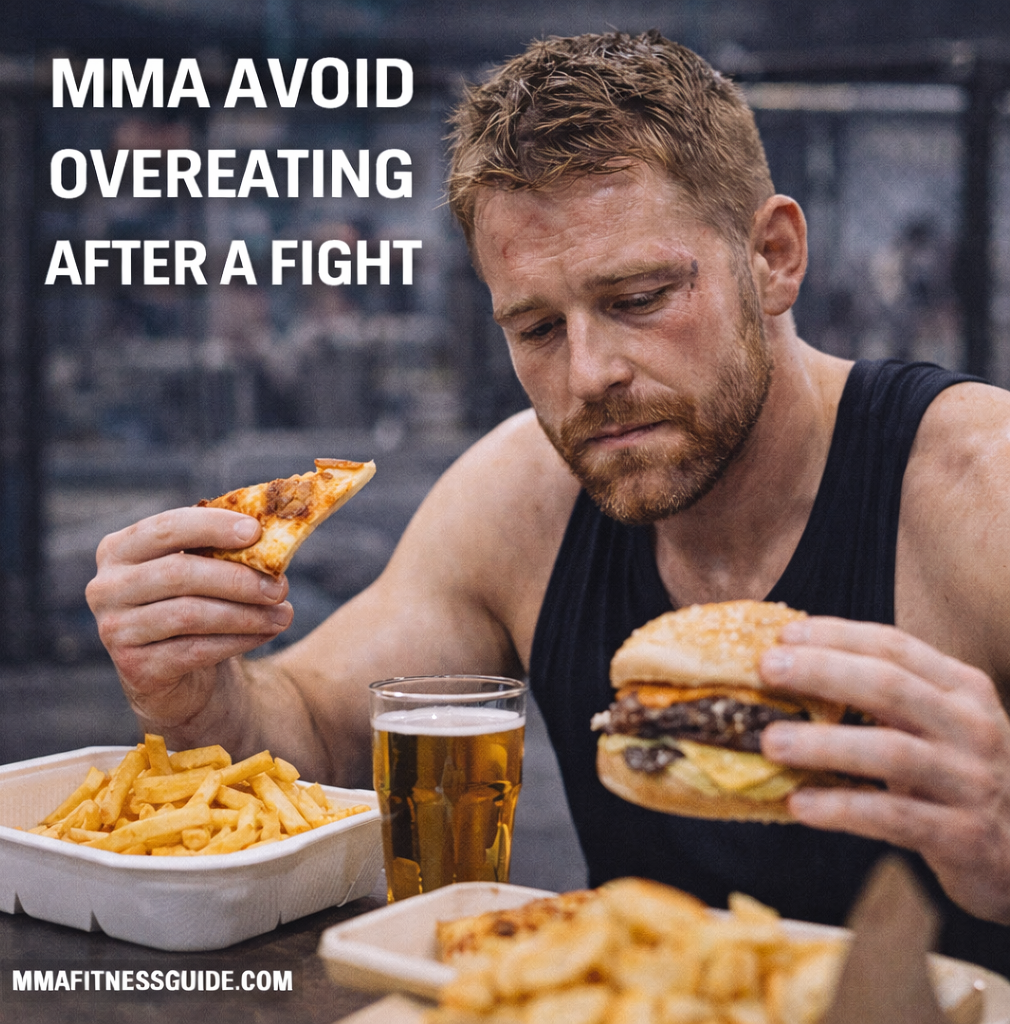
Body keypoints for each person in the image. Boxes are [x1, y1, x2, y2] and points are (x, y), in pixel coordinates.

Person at [87, 31, 1010, 970]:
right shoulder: (523, 492)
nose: (590, 375)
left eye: (641, 298)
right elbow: (313, 730)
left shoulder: (982, 491)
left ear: (772, 256)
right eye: (535, 327)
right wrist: (192, 689)